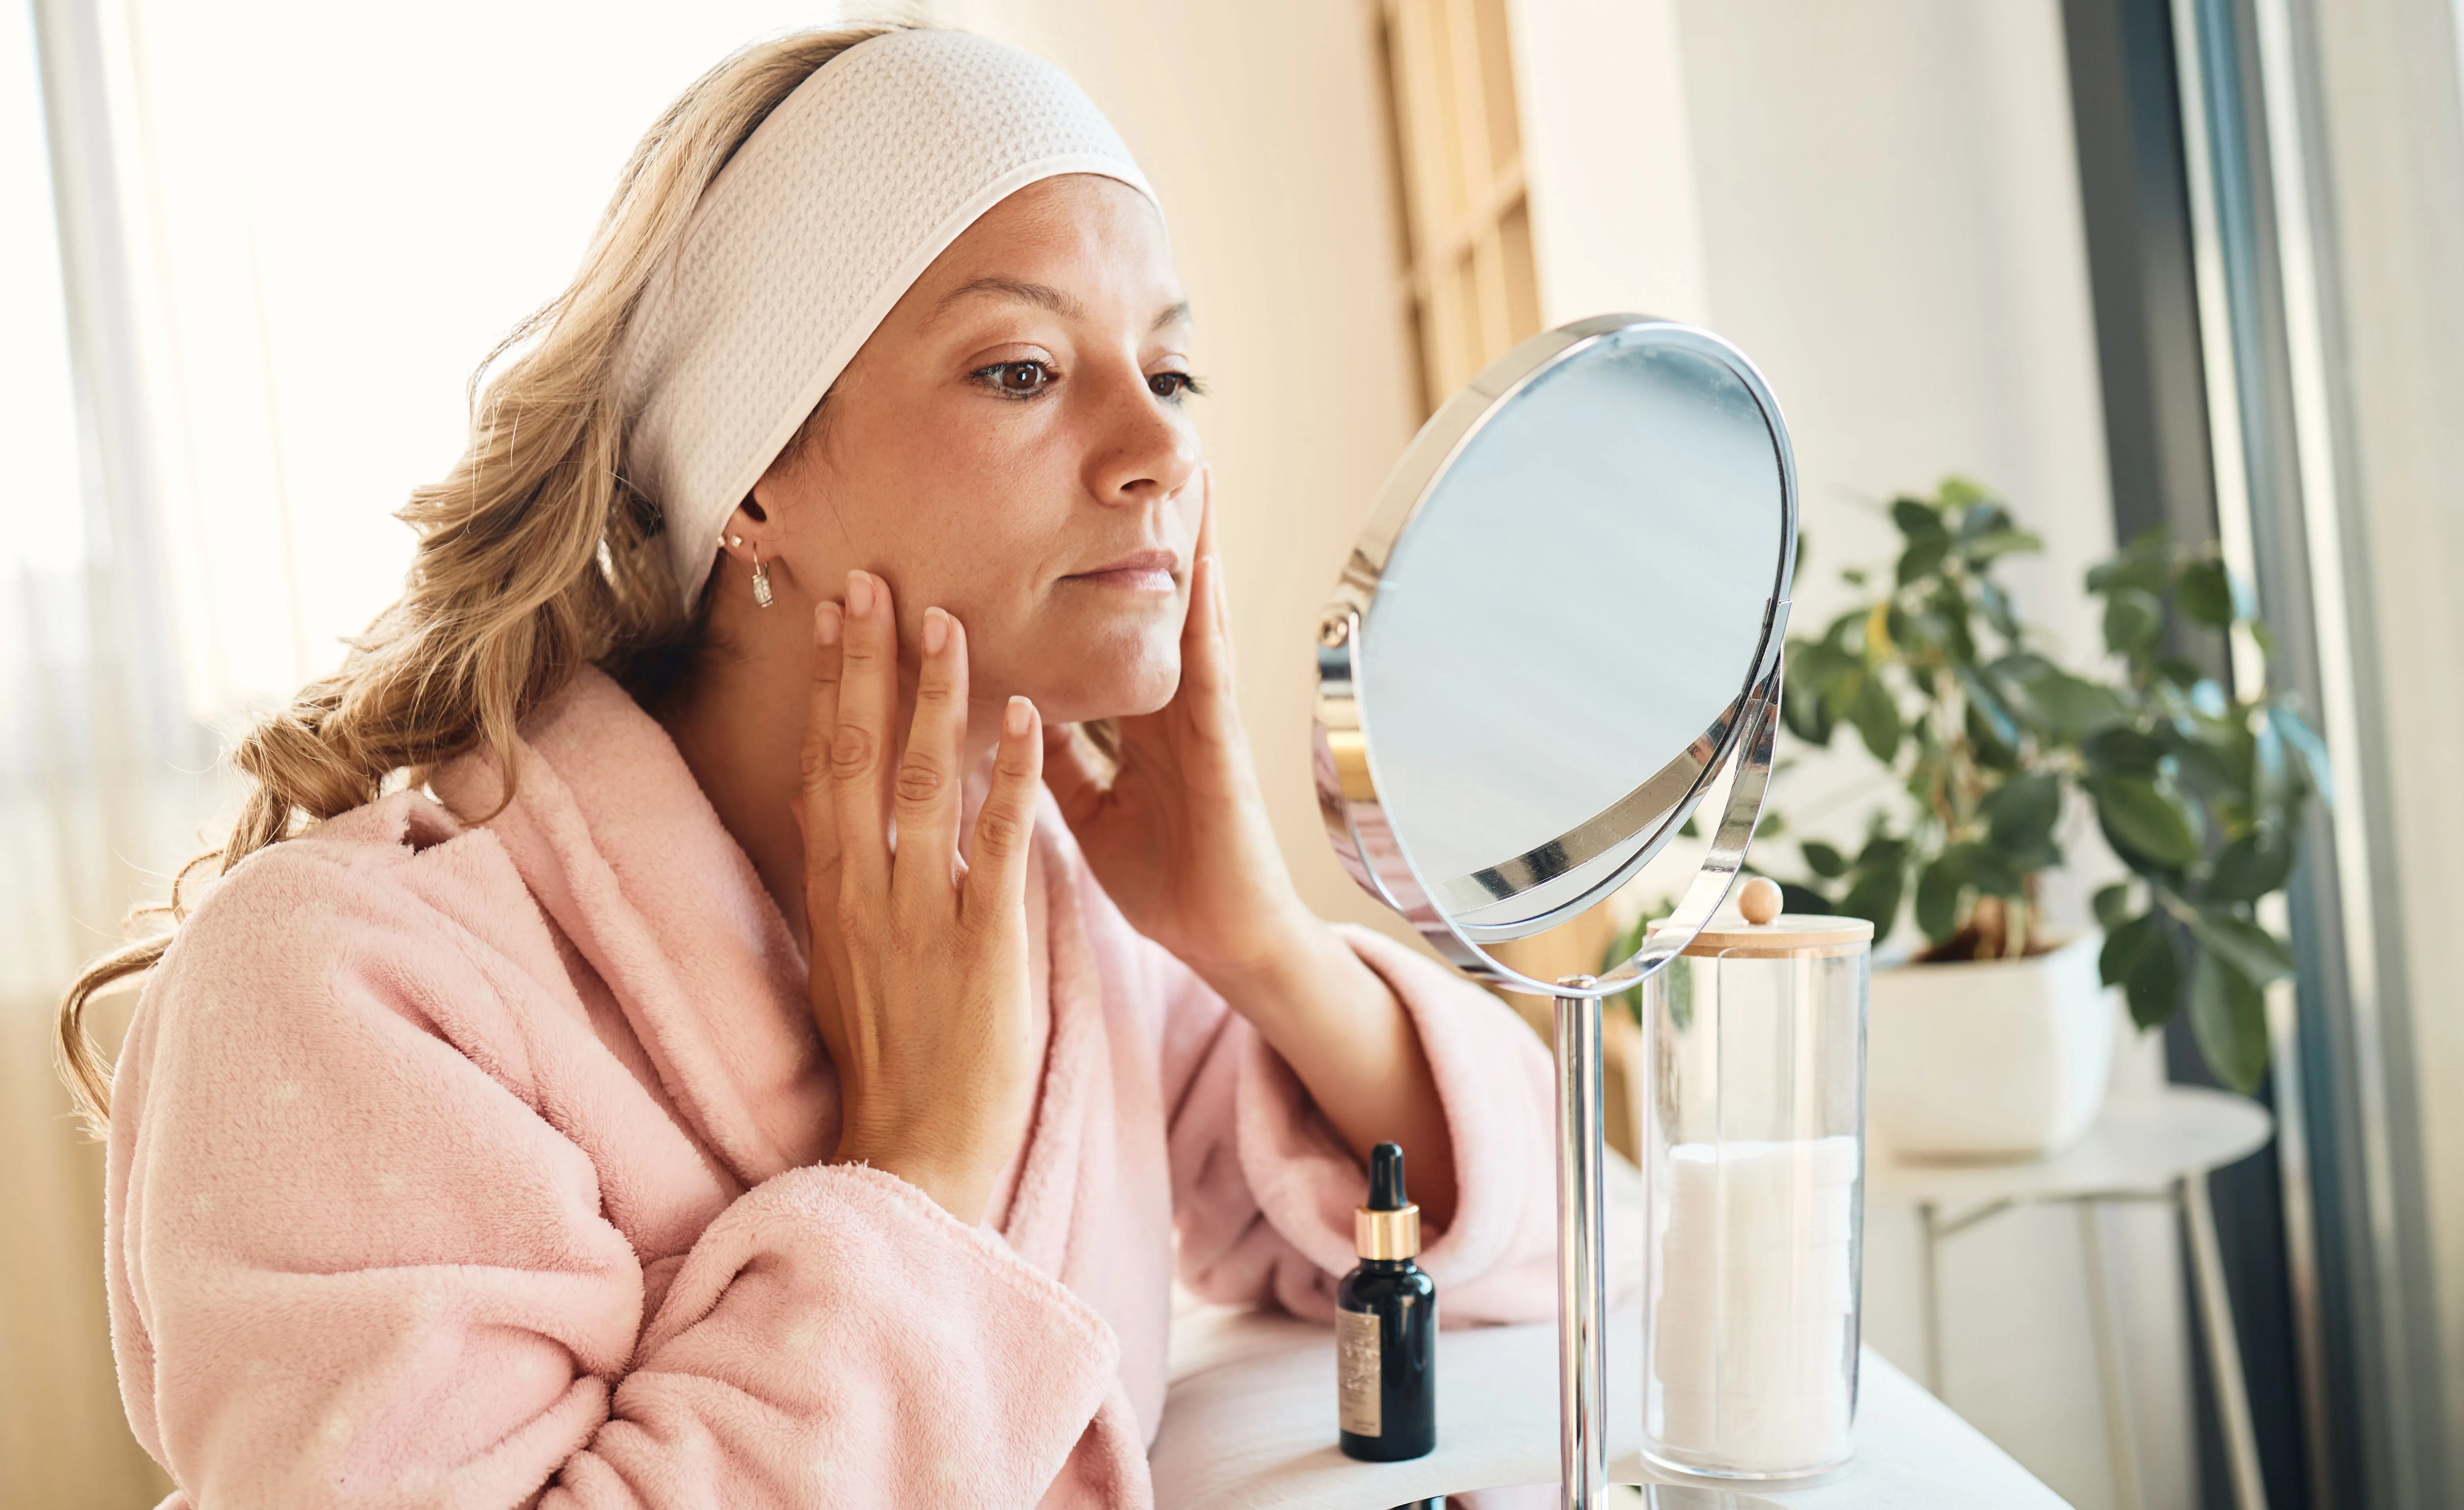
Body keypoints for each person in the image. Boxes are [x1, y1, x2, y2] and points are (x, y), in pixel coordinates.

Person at [58, 25, 1558, 1507]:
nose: (1157, 449)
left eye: (1171, 373)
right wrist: (916, 1168)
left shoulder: (1050, 916)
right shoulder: (352, 985)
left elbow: (1543, 1237)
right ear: (758, 473)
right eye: (1024, 370)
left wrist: (1256, 939)